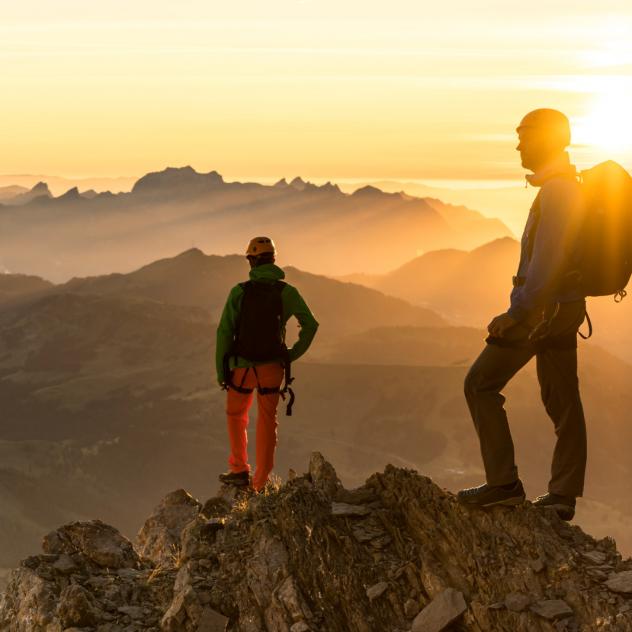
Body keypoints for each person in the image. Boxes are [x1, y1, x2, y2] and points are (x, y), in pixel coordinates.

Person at [457, 109, 588, 521]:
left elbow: (546, 262)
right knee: (563, 401)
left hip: (542, 311)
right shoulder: (564, 187)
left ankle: (503, 485)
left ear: (548, 139)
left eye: (525, 136)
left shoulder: (558, 192)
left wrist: (516, 312)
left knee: (479, 383)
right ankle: (562, 495)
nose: (518, 145)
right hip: (564, 307)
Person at [215, 237, 319, 492]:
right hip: (272, 369)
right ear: (273, 260)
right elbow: (311, 325)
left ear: (252, 261)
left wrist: (222, 371)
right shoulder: (287, 292)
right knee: (267, 421)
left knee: (236, 415)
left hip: (241, 369)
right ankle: (260, 485)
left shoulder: (239, 292)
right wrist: (291, 354)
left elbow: (224, 333)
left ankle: (239, 470)